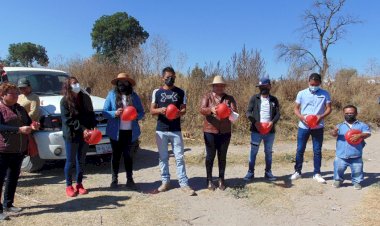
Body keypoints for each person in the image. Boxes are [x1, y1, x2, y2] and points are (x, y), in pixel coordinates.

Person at [150, 66, 195, 196]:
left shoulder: (181, 92)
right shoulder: (156, 92)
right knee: (163, 157)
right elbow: (152, 110)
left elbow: (184, 109)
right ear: (162, 78)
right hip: (161, 130)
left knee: (179, 157)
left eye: (173, 77)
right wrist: (161, 110)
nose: (170, 79)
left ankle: (184, 183)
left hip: (176, 130)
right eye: (168, 77)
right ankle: (165, 181)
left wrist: (178, 113)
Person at [0, 83, 39, 221]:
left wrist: (33, 125)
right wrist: (18, 130)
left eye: (17, 93)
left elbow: (28, 121)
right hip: (3, 149)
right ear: (3, 95)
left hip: (19, 149)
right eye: (12, 93)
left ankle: (8, 204)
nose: (16, 96)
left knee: (13, 178)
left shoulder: (20, 108)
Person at [103, 73, 144, 190]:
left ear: (129, 84)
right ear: (117, 84)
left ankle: (130, 180)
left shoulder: (134, 96)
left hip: (130, 132)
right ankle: (114, 180)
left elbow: (141, 112)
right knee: (116, 156)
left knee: (128, 156)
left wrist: (136, 116)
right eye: (120, 82)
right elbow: (105, 111)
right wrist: (114, 113)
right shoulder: (111, 95)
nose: (122, 84)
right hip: (115, 132)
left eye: (125, 82)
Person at [290, 73, 332, 183]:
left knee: (317, 150)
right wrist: (301, 117)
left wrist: (321, 116)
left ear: (320, 83)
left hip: (318, 126)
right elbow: (296, 108)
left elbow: (328, 108)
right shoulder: (301, 93)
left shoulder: (325, 94)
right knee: (300, 149)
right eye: (312, 84)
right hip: (303, 126)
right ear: (308, 82)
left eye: (316, 84)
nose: (313, 86)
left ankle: (317, 173)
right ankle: (297, 171)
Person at [60, 77, 97, 197]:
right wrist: (83, 129)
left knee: (81, 160)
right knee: (70, 161)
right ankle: (69, 186)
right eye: (73, 83)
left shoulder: (85, 97)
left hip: (86, 134)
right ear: (68, 86)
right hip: (72, 134)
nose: (77, 85)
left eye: (77, 82)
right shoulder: (64, 101)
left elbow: (91, 113)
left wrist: (93, 127)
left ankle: (79, 184)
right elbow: (68, 120)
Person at [200, 75, 237, 190]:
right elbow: (201, 109)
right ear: (213, 86)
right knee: (210, 156)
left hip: (225, 131)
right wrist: (210, 110)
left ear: (224, 86)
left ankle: (221, 179)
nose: (219, 87)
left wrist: (229, 111)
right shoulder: (207, 97)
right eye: (217, 86)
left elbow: (235, 113)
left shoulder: (229, 98)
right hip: (210, 131)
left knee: (222, 157)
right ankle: (209, 180)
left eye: (221, 85)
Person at [243, 78, 280, 182]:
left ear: (269, 86)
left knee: (268, 152)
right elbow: (248, 112)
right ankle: (250, 172)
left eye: (264, 86)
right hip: (256, 131)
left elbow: (278, 114)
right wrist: (255, 122)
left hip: (270, 132)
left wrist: (272, 123)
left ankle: (268, 172)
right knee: (253, 152)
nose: (262, 89)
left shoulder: (274, 100)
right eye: (260, 87)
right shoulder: (254, 99)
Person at [331, 105, 371, 190]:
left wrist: (360, 135)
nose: (349, 115)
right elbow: (334, 135)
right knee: (338, 168)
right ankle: (338, 180)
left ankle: (357, 182)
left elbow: (368, 133)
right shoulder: (340, 126)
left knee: (357, 170)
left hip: (356, 154)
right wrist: (334, 131)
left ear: (356, 113)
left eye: (351, 113)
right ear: (343, 114)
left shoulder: (362, 125)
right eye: (347, 113)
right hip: (341, 154)